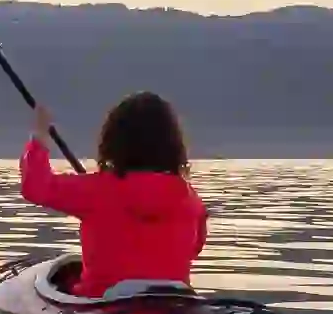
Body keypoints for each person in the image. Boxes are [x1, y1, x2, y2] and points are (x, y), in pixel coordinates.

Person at [20, 91, 207, 296]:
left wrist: (39, 136)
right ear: (173, 144)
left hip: (103, 306)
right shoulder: (191, 200)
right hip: (174, 305)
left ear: (114, 140)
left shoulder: (95, 190)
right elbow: (194, 249)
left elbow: (36, 187)